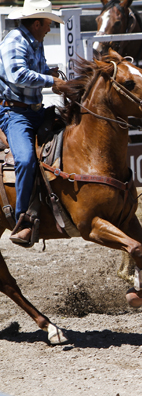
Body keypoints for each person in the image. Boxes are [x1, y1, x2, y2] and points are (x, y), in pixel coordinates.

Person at [0, 0, 64, 245]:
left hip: (33, 111)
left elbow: (35, 70)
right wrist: (51, 81)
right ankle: (22, 219)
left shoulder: (35, 41)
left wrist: (51, 72)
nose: (49, 28)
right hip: (14, 114)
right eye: (48, 23)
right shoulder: (14, 40)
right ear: (37, 23)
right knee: (26, 159)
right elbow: (17, 74)